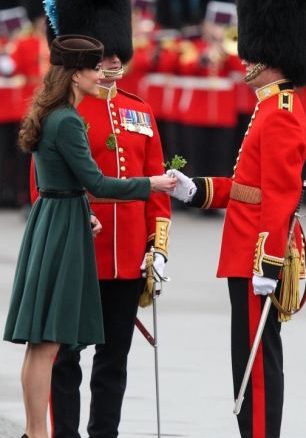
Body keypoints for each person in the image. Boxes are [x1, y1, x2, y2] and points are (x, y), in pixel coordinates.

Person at [3, 35, 175, 438]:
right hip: (81, 249)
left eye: (111, 59)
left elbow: (151, 174)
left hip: (126, 249)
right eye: (98, 63)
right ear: (79, 70)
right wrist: (151, 184)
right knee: (60, 354)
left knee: (113, 356)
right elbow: (59, 183)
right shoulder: (71, 116)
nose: (107, 67)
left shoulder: (138, 110)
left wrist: (157, 245)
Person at [168, 0, 306, 436]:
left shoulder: (281, 109)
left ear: (270, 57)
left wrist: (268, 262)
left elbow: (282, 194)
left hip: (257, 255)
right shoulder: (270, 106)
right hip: (245, 248)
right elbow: (248, 188)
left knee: (256, 363)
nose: (244, 60)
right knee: (248, 356)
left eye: (252, 54)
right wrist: (196, 190)